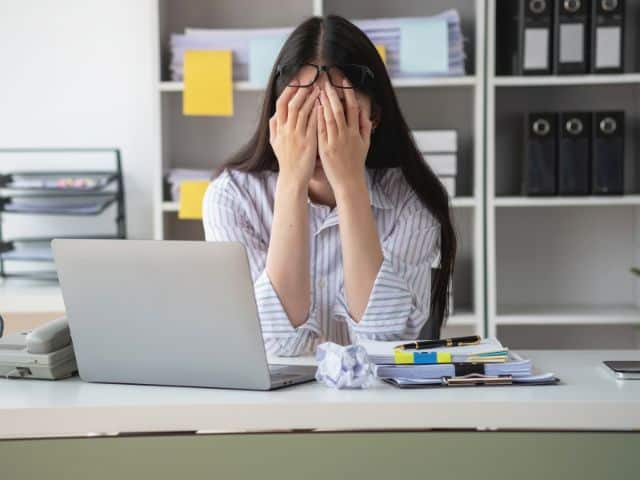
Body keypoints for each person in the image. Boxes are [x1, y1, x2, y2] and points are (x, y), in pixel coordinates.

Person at [203, 15, 456, 356]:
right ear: (277, 118)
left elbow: (386, 342)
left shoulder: (411, 199)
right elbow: (276, 345)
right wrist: (291, 181)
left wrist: (350, 184)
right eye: (304, 114)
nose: (323, 136)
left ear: (373, 117)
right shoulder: (231, 197)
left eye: (340, 114)